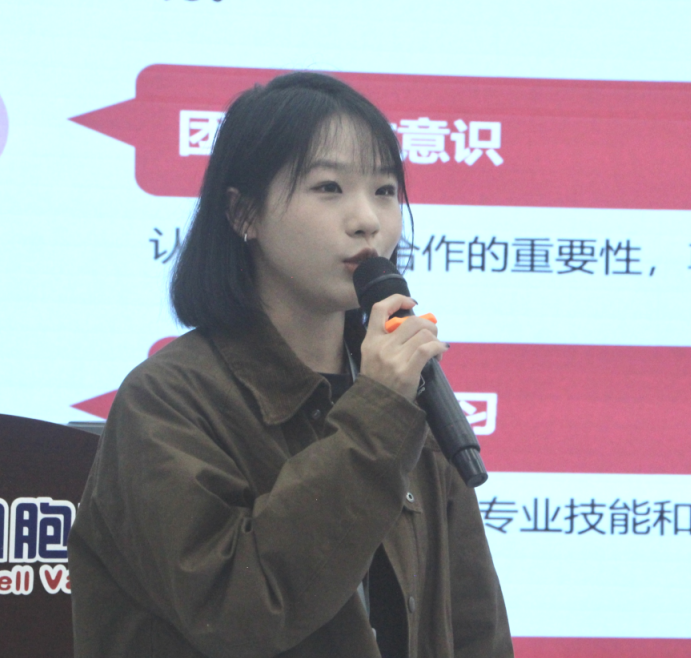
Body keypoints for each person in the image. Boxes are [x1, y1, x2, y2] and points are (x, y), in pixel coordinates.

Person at [68, 71, 513, 658]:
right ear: (243, 214)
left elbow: (473, 624)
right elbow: (238, 612)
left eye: (384, 190)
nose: (367, 220)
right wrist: (376, 412)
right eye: (329, 187)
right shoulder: (171, 401)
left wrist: (386, 401)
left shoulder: (405, 391)